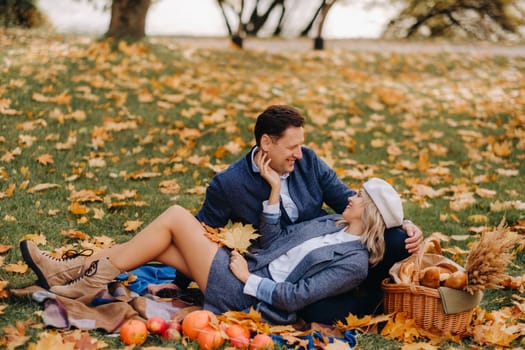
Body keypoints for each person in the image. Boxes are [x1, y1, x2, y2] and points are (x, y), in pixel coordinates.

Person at [20, 176, 404, 324]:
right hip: (238, 266)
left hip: (245, 294)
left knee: (173, 217)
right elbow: (272, 243)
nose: (350, 196)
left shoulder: (353, 263)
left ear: (369, 211)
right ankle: (66, 272)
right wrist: (273, 193)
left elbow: (295, 297)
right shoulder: (329, 223)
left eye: (359, 196)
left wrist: (248, 279)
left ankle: (82, 279)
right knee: (156, 243)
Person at [187, 104, 420, 322]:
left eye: (300, 145)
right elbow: (204, 226)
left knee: (399, 240)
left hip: (283, 280)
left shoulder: (308, 163)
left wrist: (401, 222)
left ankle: (373, 299)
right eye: (291, 147)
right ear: (266, 142)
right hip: (260, 263)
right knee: (177, 221)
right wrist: (178, 284)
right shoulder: (231, 183)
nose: (299, 154)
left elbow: (352, 200)